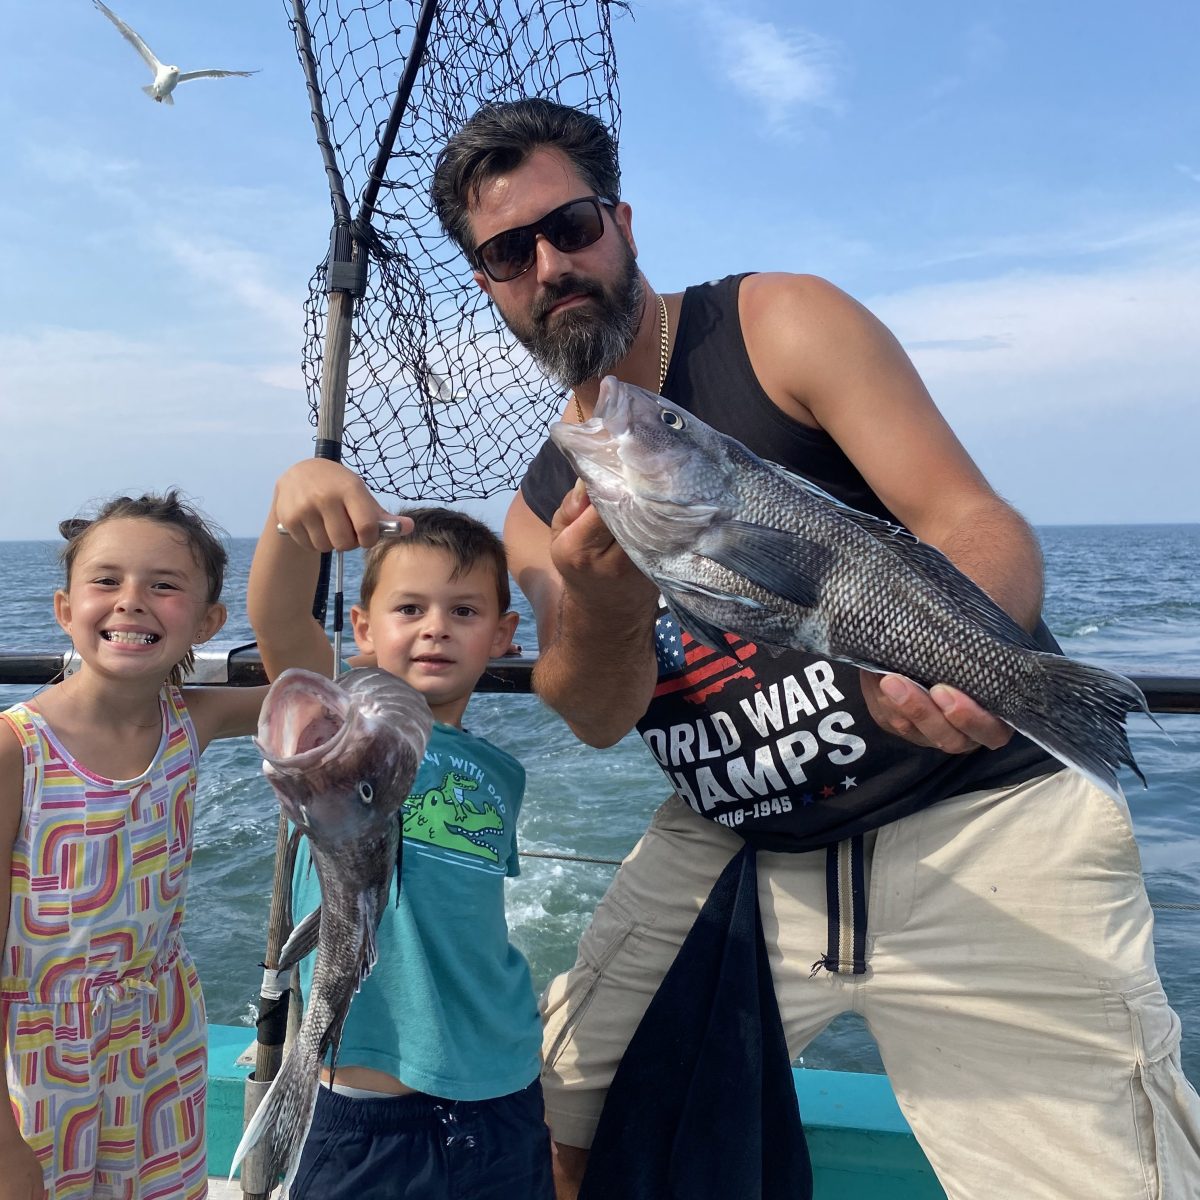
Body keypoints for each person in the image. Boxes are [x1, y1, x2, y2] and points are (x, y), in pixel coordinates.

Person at [429, 97, 1200, 1200]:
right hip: (734, 849)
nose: (551, 263)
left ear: (624, 220)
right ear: (490, 285)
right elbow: (595, 711)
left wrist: (966, 666)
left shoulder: (779, 323)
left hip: (978, 820)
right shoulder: (540, 503)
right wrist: (599, 607)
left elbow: (968, 517)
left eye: (574, 225)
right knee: (556, 1108)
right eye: (511, 250)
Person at [246, 460, 553, 1200]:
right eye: (409, 608)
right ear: (362, 629)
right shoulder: (339, 724)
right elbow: (280, 619)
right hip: (367, 1110)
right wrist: (293, 513)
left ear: (504, 635)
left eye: (465, 612)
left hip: (504, 1086)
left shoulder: (501, 772)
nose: (435, 629)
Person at [0, 492, 265, 1200]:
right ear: (63, 609)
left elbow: (309, 679)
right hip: (34, 1059)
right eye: (107, 580)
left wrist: (291, 531)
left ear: (210, 621)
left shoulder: (193, 722)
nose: (132, 602)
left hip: (159, 1036)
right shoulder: (13, 748)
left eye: (165, 585)